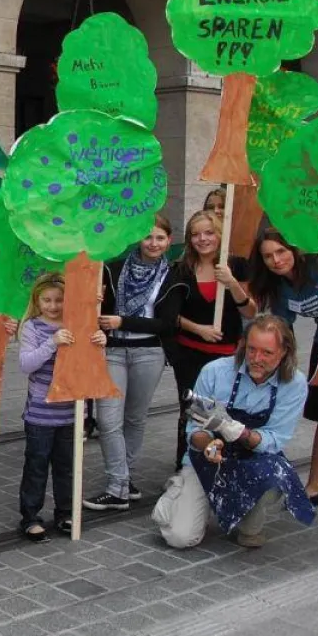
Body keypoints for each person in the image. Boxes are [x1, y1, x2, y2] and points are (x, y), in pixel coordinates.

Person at [153, 315, 315, 549]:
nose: (256, 359)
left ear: (284, 352)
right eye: (251, 350)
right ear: (242, 345)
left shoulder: (295, 384)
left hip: (253, 459)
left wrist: (240, 433)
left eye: (267, 353)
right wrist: (208, 444)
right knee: (179, 538)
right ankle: (184, 492)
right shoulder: (214, 371)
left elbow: (275, 440)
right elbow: (194, 429)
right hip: (207, 458)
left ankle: (248, 521)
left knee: (274, 478)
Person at [247, 229, 318, 518]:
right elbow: (282, 330)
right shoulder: (279, 286)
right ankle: (314, 486)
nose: (276, 260)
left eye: (281, 251)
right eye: (268, 256)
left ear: (295, 249)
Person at [85, 215, 180, 510]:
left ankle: (121, 483)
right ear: (138, 238)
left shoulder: (173, 275)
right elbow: (94, 309)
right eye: (148, 237)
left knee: (135, 418)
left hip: (149, 353)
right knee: (107, 420)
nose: (153, 243)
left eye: (160, 238)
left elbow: (166, 323)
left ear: (169, 241)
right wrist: (95, 298)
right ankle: (120, 484)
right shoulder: (113, 268)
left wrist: (123, 320)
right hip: (113, 350)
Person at [17, 272, 106, 540]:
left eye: (59, 300)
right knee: (36, 464)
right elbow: (26, 364)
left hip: (70, 413)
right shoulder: (33, 327)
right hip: (41, 415)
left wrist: (101, 342)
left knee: (67, 466)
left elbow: (92, 365)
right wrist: (51, 343)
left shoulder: (79, 324)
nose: (53, 306)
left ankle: (66, 513)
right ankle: (30, 516)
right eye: (47, 300)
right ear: (37, 300)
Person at [168, 210, 256, 471]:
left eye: (208, 233)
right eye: (195, 235)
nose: (202, 239)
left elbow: (250, 311)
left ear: (219, 234)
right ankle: (185, 468)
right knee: (192, 411)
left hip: (227, 354)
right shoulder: (182, 268)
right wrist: (198, 329)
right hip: (190, 354)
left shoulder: (237, 265)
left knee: (225, 413)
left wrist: (231, 283)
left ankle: (225, 465)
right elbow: (170, 315)